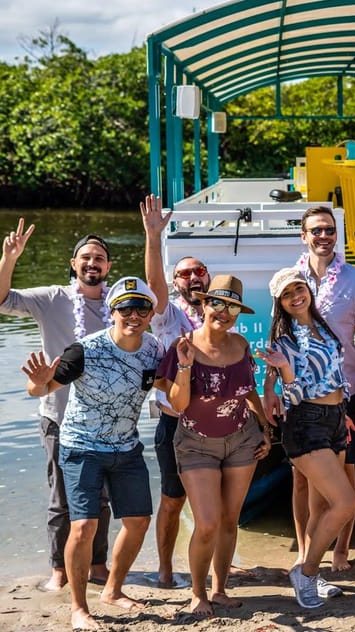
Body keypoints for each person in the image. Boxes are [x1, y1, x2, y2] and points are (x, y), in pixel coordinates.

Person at [22, 276, 163, 631]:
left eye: (141, 307)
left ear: (151, 313)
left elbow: (169, 388)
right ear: (112, 312)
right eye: (125, 308)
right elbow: (38, 389)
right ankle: (79, 608)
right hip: (81, 447)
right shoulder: (85, 349)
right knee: (84, 526)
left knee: (138, 522)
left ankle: (113, 590)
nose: (133, 315)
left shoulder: (156, 350)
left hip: (126, 448)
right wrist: (39, 379)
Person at [0, 221, 112, 591]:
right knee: (61, 499)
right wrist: (8, 258)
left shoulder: (119, 305)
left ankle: (96, 563)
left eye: (100, 259)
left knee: (102, 498)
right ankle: (59, 568)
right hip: (58, 415)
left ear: (108, 267)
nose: (93, 263)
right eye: (86, 257)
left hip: (107, 420)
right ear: (73, 263)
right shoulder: (52, 298)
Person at [263, 205, 355, 574]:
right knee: (304, 483)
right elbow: (275, 348)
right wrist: (270, 390)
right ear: (304, 235)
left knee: (346, 481)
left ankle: (339, 554)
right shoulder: (293, 282)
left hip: (345, 397)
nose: (324, 236)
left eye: (330, 229)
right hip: (305, 408)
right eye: (316, 230)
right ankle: (305, 557)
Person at [154, 275, 273, 617]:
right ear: (204, 304)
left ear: (238, 312)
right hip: (196, 444)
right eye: (217, 303)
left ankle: (220, 589)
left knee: (229, 519)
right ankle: (197, 592)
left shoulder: (241, 346)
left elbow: (248, 390)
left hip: (241, 440)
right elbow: (177, 404)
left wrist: (264, 428)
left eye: (231, 306)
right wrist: (187, 365)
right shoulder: (183, 345)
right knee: (206, 523)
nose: (223, 312)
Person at [256, 268, 355, 609]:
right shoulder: (285, 342)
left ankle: (311, 572)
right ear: (280, 304)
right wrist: (282, 374)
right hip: (305, 423)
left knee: (323, 506)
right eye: (286, 294)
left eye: (299, 288)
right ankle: (307, 572)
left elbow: (335, 375)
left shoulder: (324, 329)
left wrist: (342, 410)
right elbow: (294, 396)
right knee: (346, 503)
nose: (295, 295)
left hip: (334, 420)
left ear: (308, 289)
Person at [141, 194, 211, 588]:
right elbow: (153, 285)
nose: (193, 277)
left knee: (215, 501)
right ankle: (166, 569)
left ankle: (218, 563)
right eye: (184, 273)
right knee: (172, 500)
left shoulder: (219, 315)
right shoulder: (167, 317)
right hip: (174, 425)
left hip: (216, 426)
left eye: (199, 271)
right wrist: (154, 236)